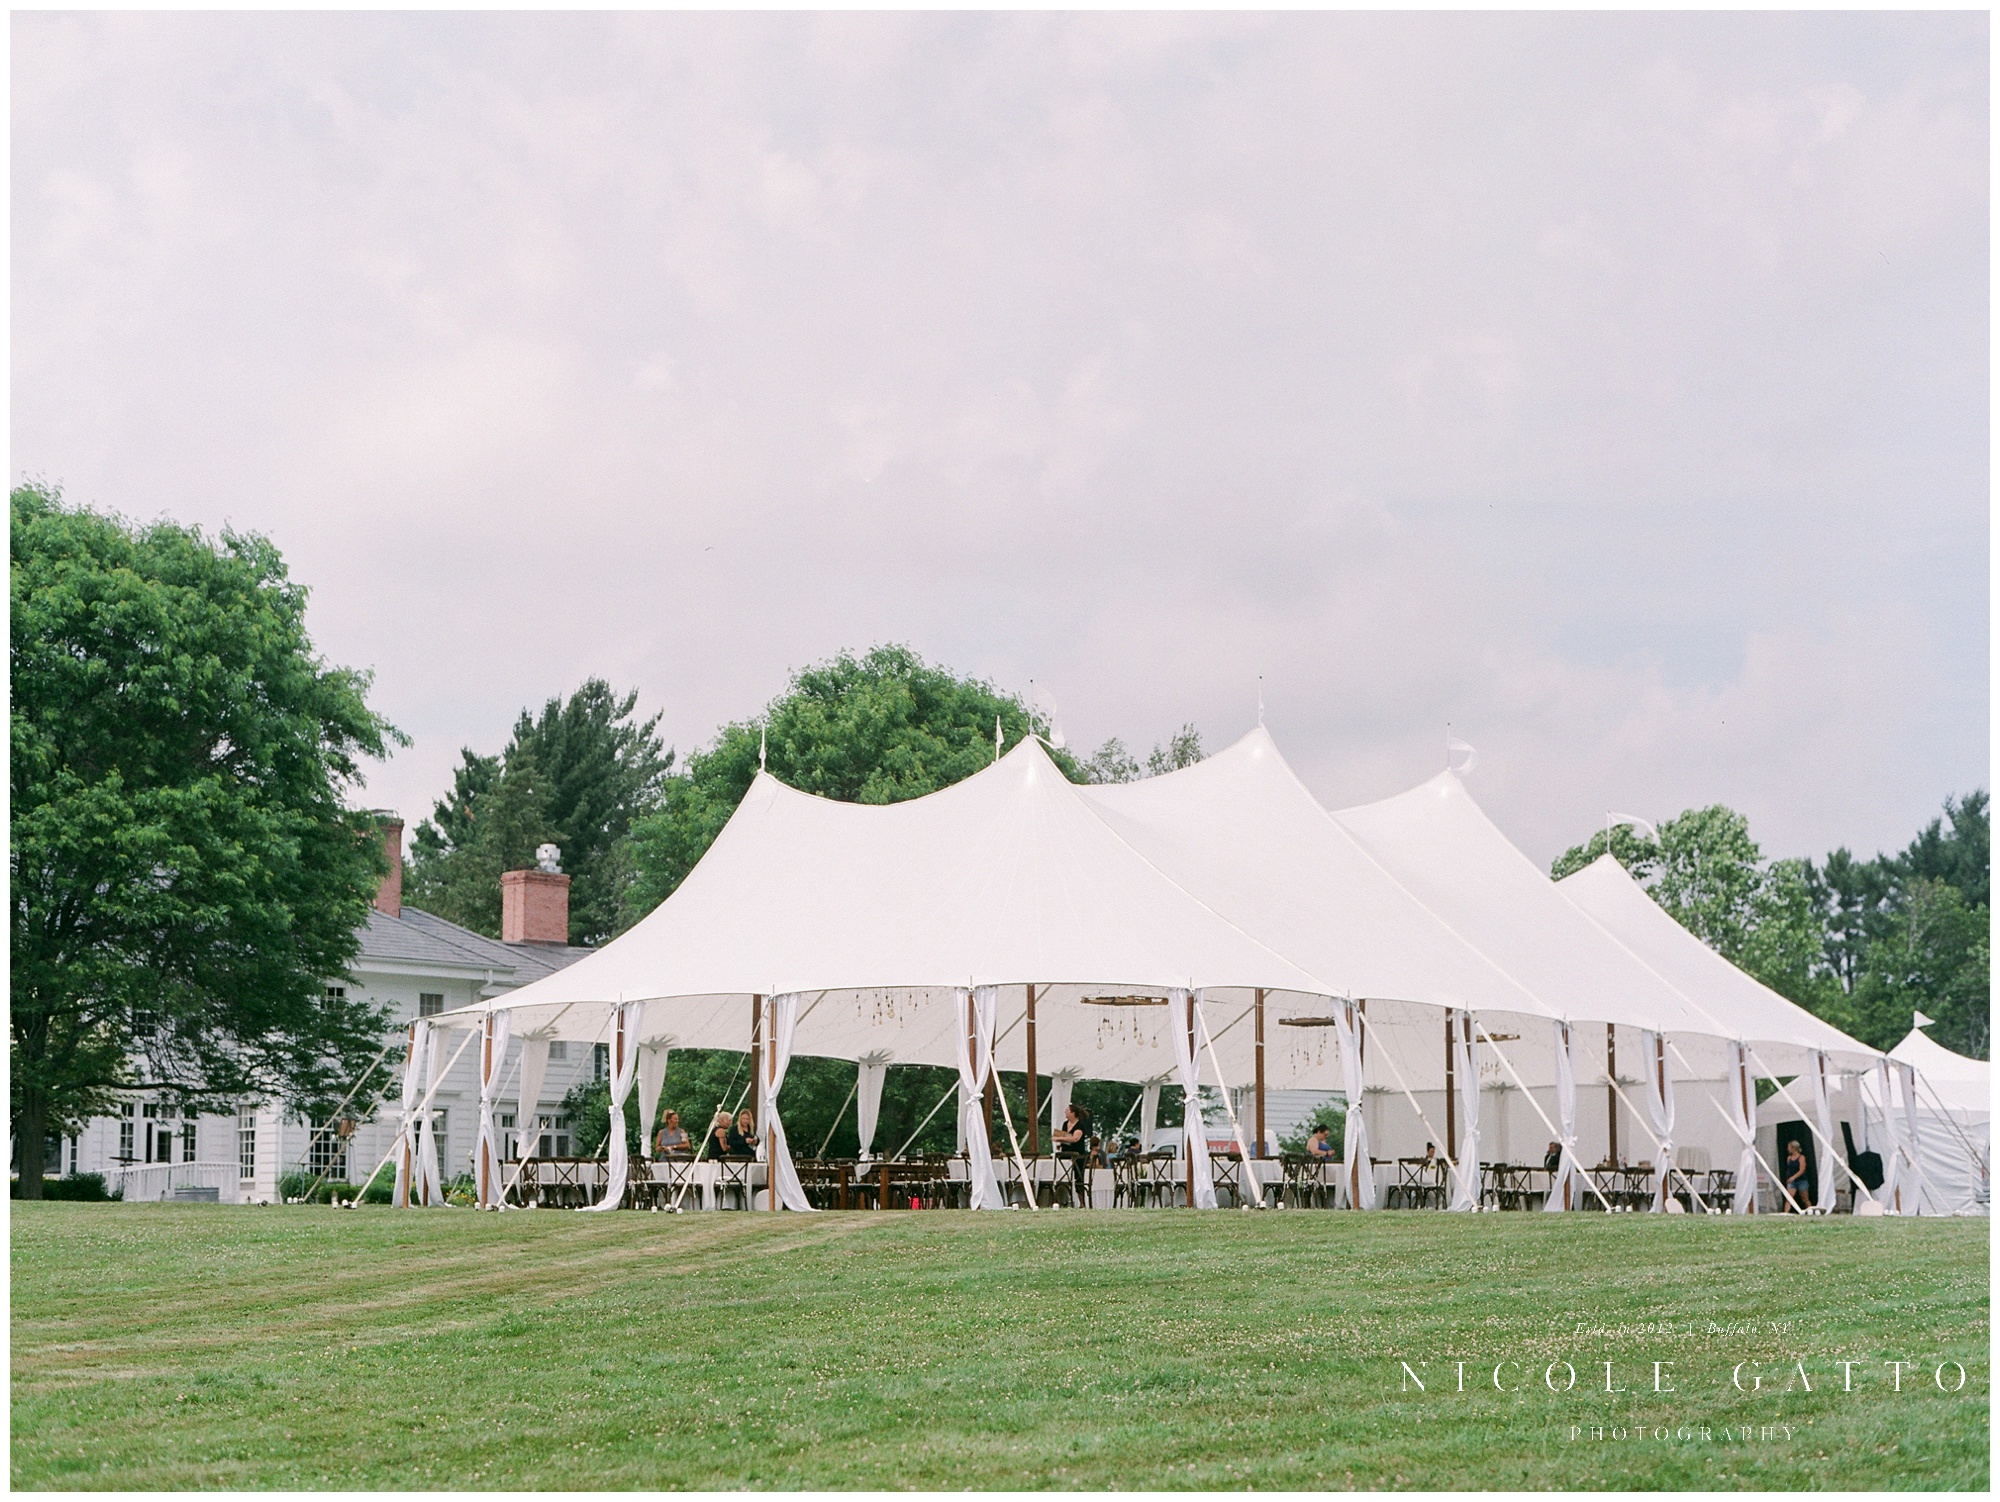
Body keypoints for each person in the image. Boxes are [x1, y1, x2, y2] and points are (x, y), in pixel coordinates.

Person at [1052, 1104, 1092, 1201]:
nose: (1065, 1112)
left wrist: (1059, 1138)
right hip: (1066, 1153)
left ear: (1073, 1113)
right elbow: (1066, 1135)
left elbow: (1075, 1138)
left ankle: (1081, 1201)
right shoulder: (1065, 1124)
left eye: (1067, 1111)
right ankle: (1064, 1198)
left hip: (1077, 1155)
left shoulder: (1080, 1125)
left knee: (1078, 1178)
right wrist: (1061, 1143)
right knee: (1063, 1175)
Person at [1783, 1139, 1809, 1211]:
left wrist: (1793, 1177)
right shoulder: (1789, 1158)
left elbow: (1801, 1170)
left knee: (1805, 1199)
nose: (1788, 1149)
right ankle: (1786, 1213)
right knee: (1789, 1198)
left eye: (1789, 1147)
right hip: (1792, 1181)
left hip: (1801, 1180)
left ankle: (1811, 1211)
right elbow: (1789, 1169)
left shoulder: (1801, 1157)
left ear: (1794, 1148)